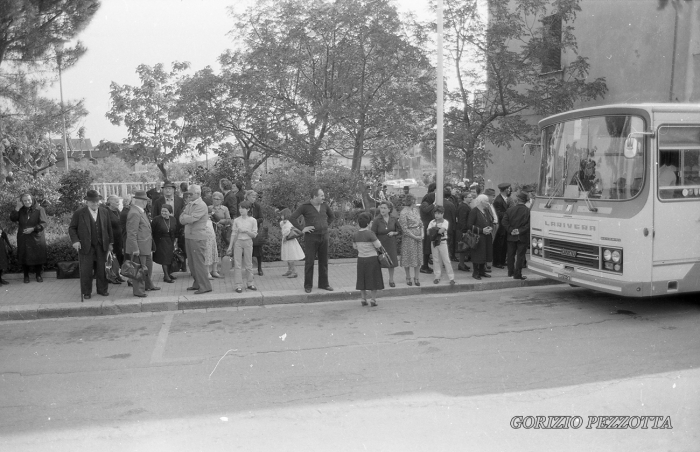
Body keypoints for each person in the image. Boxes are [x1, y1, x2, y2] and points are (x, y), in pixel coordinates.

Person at [68, 190, 114, 299]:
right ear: (87, 202)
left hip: (101, 245)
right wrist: (75, 241)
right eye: (92, 202)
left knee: (101, 269)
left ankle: (102, 290)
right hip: (85, 246)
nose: (95, 203)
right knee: (86, 270)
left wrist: (111, 243)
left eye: (97, 201)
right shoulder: (79, 213)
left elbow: (109, 228)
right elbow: (72, 228)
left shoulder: (104, 212)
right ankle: (86, 292)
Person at [289, 187, 335, 293]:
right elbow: (292, 218)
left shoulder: (324, 205)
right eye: (321, 195)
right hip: (311, 237)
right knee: (309, 262)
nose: (324, 197)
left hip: (324, 236)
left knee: (324, 262)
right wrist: (302, 229)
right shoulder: (305, 207)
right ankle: (308, 285)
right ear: (315, 197)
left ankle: (324, 284)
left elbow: (332, 216)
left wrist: (325, 225)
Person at [125, 190, 160, 297]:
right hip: (139, 247)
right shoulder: (134, 213)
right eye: (145, 200)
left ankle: (148, 285)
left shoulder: (140, 211)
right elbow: (131, 233)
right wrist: (135, 248)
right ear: (140, 201)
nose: (147, 202)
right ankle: (138, 291)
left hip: (146, 245)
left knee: (147, 267)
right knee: (139, 269)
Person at [179, 185, 212, 294]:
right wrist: (186, 218)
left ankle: (205, 286)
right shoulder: (190, 204)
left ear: (198, 194)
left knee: (198, 263)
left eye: (191, 194)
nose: (189, 195)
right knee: (192, 263)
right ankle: (197, 283)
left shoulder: (201, 205)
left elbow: (192, 219)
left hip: (197, 237)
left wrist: (186, 218)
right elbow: (181, 218)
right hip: (189, 236)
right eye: (189, 193)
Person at [10, 193, 47, 283]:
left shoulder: (39, 209)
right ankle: (26, 276)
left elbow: (44, 223)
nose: (27, 202)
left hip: (36, 236)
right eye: (25, 200)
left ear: (33, 199)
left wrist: (33, 229)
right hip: (23, 237)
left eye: (29, 200)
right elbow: (13, 218)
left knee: (38, 255)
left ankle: (38, 275)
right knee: (24, 255)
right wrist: (17, 208)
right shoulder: (20, 210)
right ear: (22, 202)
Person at [153, 181, 185, 272]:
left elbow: (183, 213)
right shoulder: (158, 201)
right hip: (164, 230)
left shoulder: (180, 200)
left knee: (178, 249)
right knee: (166, 251)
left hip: (177, 227)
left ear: (174, 190)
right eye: (166, 188)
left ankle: (178, 267)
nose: (167, 190)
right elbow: (155, 216)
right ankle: (167, 272)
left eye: (170, 188)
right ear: (163, 190)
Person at [353, 212, 384, 307]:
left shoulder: (356, 234)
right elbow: (378, 245)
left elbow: (355, 247)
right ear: (367, 224)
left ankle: (363, 298)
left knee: (362, 279)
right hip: (372, 259)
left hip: (361, 259)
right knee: (374, 279)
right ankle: (373, 300)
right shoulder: (370, 234)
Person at [227, 200, 258, 293]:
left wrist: (246, 231)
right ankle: (238, 284)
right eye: (240, 208)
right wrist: (230, 246)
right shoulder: (236, 220)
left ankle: (250, 283)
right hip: (238, 242)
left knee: (248, 264)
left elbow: (254, 235)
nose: (241, 210)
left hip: (248, 242)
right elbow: (233, 233)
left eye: (243, 208)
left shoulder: (253, 220)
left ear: (248, 209)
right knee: (237, 264)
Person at [371, 200, 401, 287]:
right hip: (380, 244)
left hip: (391, 243)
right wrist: (376, 244)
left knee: (391, 263)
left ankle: (391, 280)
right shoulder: (377, 220)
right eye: (381, 208)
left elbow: (399, 230)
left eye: (384, 208)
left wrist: (394, 233)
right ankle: (378, 280)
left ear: (389, 209)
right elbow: (372, 233)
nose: (382, 210)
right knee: (379, 263)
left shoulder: (393, 219)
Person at [502, 192, 531, 280]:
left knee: (510, 255)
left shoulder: (510, 210)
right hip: (522, 236)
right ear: (526, 201)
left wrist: (511, 230)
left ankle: (510, 272)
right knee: (520, 256)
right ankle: (518, 274)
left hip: (511, 236)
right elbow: (529, 224)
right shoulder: (528, 211)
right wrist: (519, 231)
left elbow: (504, 222)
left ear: (518, 200)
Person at [466, 194, 494, 280]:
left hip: (487, 236)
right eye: (486, 201)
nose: (488, 203)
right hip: (478, 237)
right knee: (477, 254)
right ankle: (475, 272)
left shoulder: (486, 210)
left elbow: (490, 221)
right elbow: (469, 225)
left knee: (485, 254)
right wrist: (482, 230)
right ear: (481, 202)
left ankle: (482, 271)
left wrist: (489, 227)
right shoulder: (474, 211)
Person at [398, 194, 423, 286]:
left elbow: (421, 223)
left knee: (418, 257)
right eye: (414, 201)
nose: (416, 203)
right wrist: (414, 236)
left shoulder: (416, 211)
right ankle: (408, 277)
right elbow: (404, 228)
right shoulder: (403, 212)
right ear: (412, 201)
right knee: (408, 257)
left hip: (418, 236)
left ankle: (417, 277)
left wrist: (422, 234)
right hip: (409, 238)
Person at [427, 206, 455, 285]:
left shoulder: (445, 221)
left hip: (442, 242)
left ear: (442, 214)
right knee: (436, 260)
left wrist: (434, 229)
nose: (437, 215)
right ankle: (437, 276)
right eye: (435, 213)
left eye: (439, 213)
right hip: (434, 242)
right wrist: (435, 230)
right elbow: (428, 233)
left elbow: (441, 231)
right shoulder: (432, 222)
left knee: (446, 260)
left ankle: (451, 277)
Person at [152, 204, 178, 283]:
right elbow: (152, 231)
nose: (163, 213)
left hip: (170, 240)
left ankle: (168, 274)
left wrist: (176, 241)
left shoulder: (173, 219)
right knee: (164, 258)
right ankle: (166, 276)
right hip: (160, 241)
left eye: (165, 211)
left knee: (170, 257)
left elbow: (175, 230)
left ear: (170, 212)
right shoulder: (156, 219)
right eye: (162, 211)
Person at [209, 191, 232, 278]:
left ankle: (222, 268)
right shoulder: (209, 208)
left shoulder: (224, 209)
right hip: (212, 231)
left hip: (222, 232)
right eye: (214, 198)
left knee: (222, 249)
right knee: (213, 250)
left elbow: (229, 220)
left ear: (221, 200)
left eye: (218, 199)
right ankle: (212, 269)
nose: (216, 200)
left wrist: (221, 221)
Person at [279, 208, 305, 278]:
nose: (281, 217)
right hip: (286, 241)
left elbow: (287, 231)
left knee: (290, 256)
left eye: (282, 215)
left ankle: (294, 271)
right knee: (287, 256)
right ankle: (289, 270)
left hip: (289, 241)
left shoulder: (289, 223)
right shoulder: (282, 223)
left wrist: (285, 237)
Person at [245, 190, 265, 276]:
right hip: (245, 230)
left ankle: (259, 268)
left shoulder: (257, 206)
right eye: (253, 197)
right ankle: (248, 269)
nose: (254, 199)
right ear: (248, 196)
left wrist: (253, 221)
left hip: (255, 230)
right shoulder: (243, 205)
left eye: (255, 197)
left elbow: (261, 218)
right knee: (247, 251)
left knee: (258, 250)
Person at [492, 183, 511, 269]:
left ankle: (502, 261)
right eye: (508, 188)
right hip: (500, 226)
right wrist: (509, 214)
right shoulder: (498, 200)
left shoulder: (504, 199)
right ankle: (497, 262)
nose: (509, 190)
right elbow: (498, 213)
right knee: (499, 245)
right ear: (505, 190)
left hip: (504, 226)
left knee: (504, 245)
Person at [419, 182, 437, 274]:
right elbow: (426, 210)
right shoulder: (425, 203)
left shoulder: (427, 203)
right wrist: (434, 204)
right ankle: (424, 266)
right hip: (426, 227)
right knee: (426, 247)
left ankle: (425, 265)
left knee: (428, 247)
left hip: (428, 226)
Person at [456, 192, 473, 272]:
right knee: (463, 247)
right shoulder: (463, 207)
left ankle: (462, 264)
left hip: (463, 230)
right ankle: (461, 264)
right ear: (464, 198)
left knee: (464, 247)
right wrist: (464, 231)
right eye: (469, 197)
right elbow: (462, 220)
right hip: (463, 230)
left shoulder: (464, 206)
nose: (471, 198)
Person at [442, 188, 458, 262]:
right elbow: (453, 216)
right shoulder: (451, 204)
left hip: (440, 226)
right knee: (449, 243)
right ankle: (448, 258)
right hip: (450, 226)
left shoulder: (439, 203)